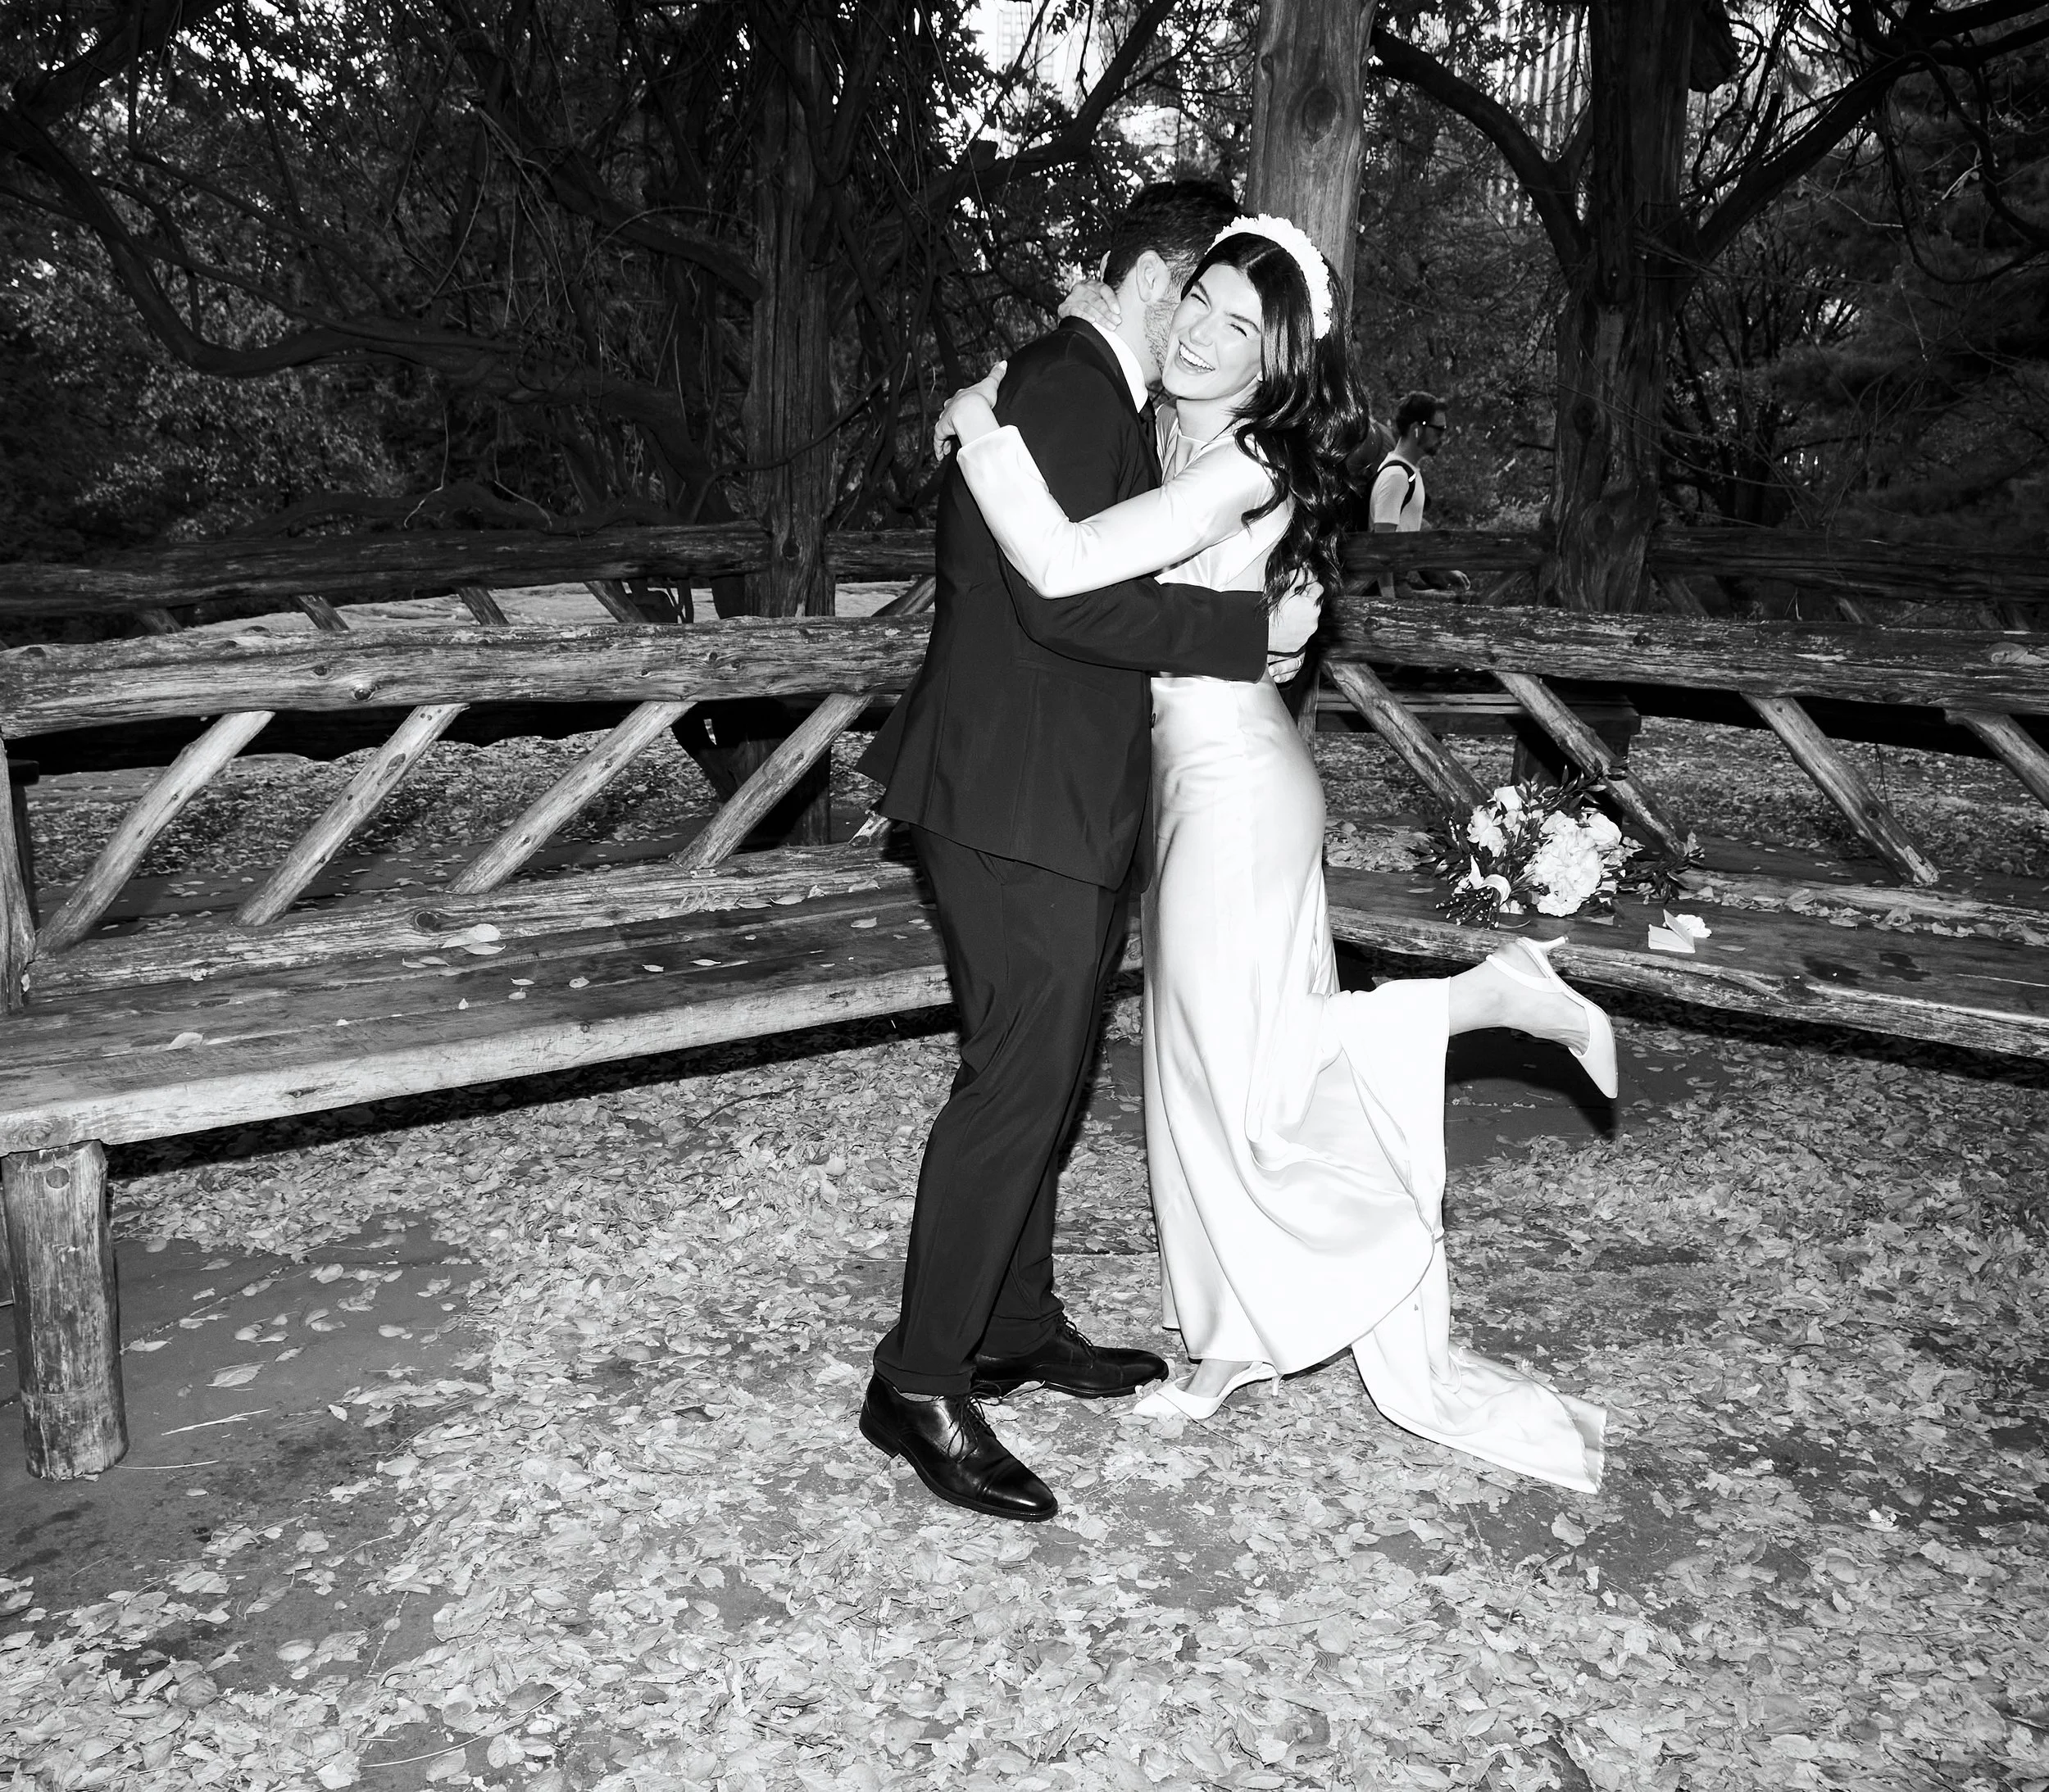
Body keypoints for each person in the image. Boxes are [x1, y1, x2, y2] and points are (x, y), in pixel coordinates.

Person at [934, 215, 1609, 1494]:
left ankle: (1488, 997)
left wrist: (981, 429)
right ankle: (1229, 1337)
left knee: (1240, 1070)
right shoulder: (1166, 431)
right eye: (1199, 297)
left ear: (1274, 364)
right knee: (1203, 1075)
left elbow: (1073, 566)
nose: (1200, 327)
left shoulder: (1242, 454)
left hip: (1237, 786)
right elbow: (1234, 613)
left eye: (1239, 324)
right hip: (1191, 781)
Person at [853, 180, 1324, 1524]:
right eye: (1198, 294)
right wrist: (1246, 641)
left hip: (1044, 798)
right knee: (1017, 1083)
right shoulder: (1065, 385)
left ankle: (1012, 1322)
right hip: (1014, 802)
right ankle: (920, 1375)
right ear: (1159, 279)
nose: (1200, 326)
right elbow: (1067, 608)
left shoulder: (1074, 392)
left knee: (1037, 1073)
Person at [1370, 390, 1466, 598]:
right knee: (1458, 606)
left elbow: (1411, 530)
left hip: (1400, 581)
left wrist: (1445, 572)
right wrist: (1389, 603)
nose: (1443, 437)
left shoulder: (1409, 472)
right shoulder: (1396, 476)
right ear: (1416, 429)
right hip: (1392, 589)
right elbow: (1382, 546)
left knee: (1461, 601)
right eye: (1439, 430)